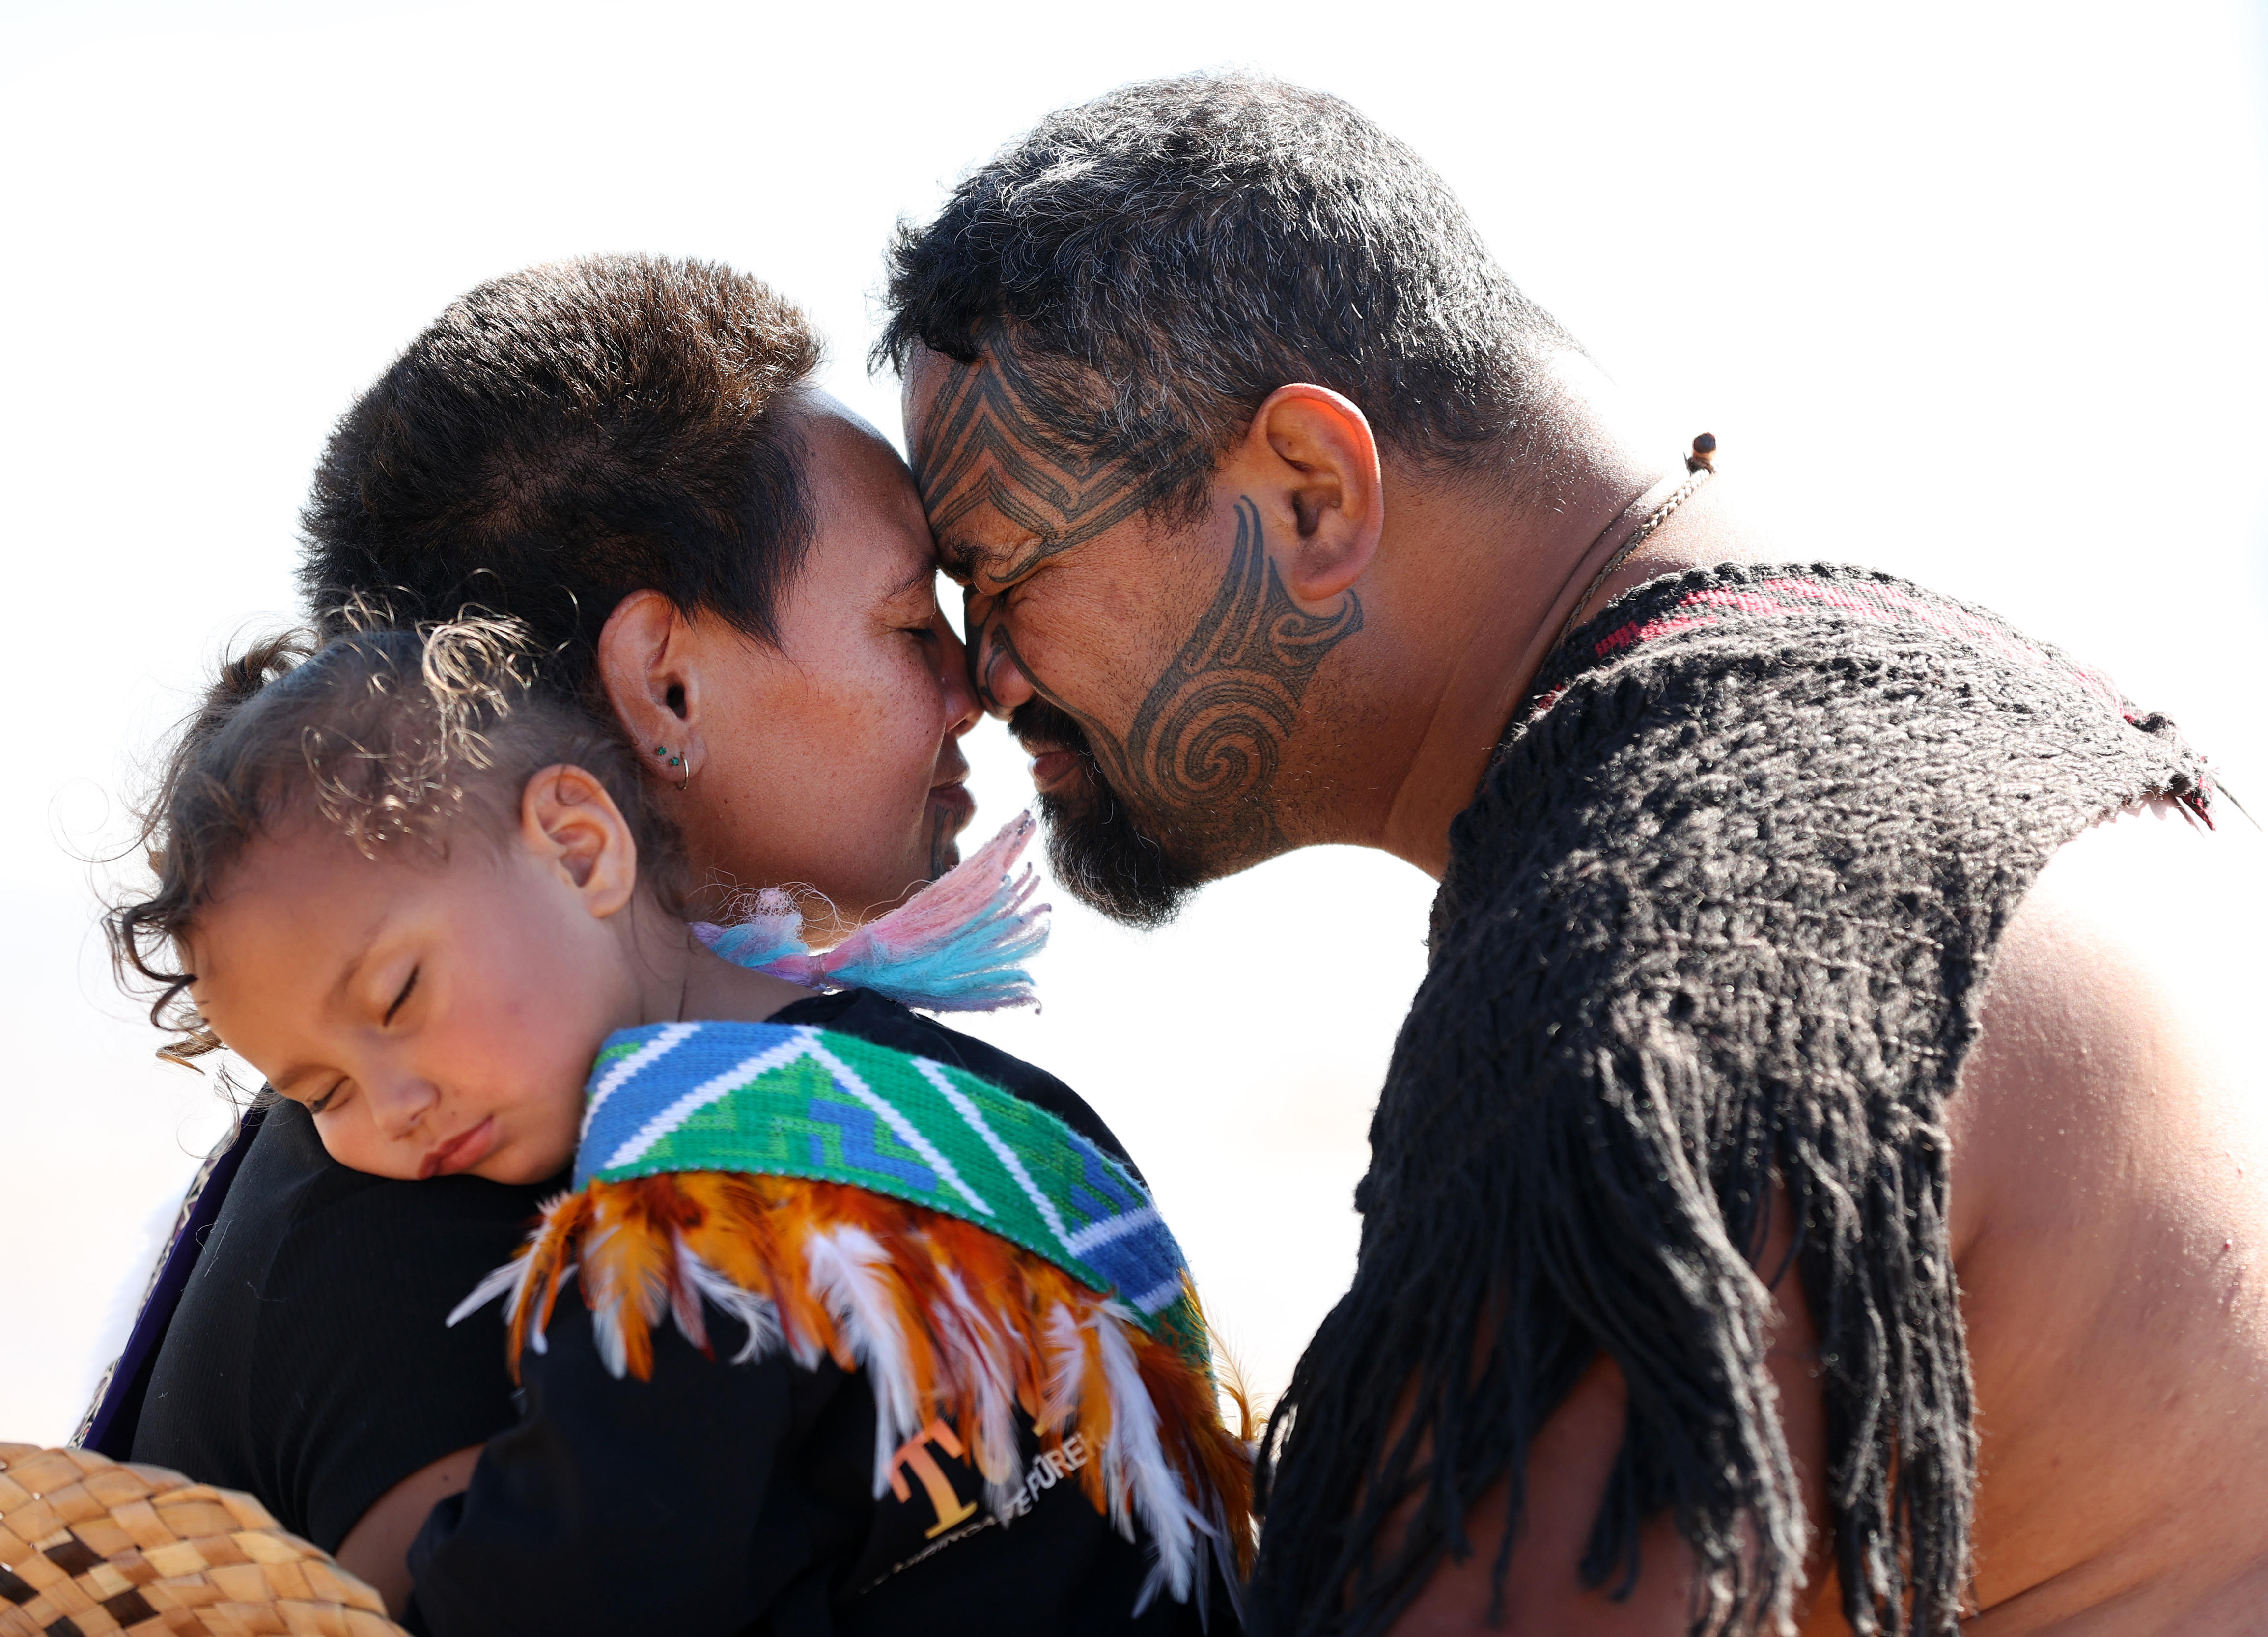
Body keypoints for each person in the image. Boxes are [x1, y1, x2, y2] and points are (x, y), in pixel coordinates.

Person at [877, 74, 2268, 1635]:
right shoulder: (2059, 747)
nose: (981, 677)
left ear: (1310, 493)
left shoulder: (1656, 955)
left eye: (996, 576)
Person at [82, 257, 1200, 1621]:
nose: (974, 686)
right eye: (913, 624)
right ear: (663, 685)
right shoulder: (443, 1208)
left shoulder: (640, 1097)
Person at [100, 613, 1249, 1635]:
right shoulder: (956, 1093)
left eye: (398, 997)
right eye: (319, 1095)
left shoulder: (688, 1221)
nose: (394, 1110)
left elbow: (564, 1590)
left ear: (579, 845)